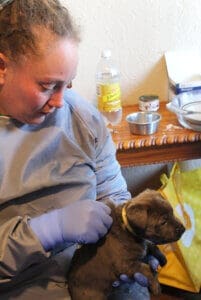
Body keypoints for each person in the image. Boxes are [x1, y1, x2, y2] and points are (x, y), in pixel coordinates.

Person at [0, 0, 160, 299]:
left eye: (68, 84)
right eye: (47, 85)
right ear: (2, 67)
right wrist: (47, 231)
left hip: (100, 277)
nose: (60, 102)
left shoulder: (82, 119)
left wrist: (133, 239)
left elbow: (114, 197)